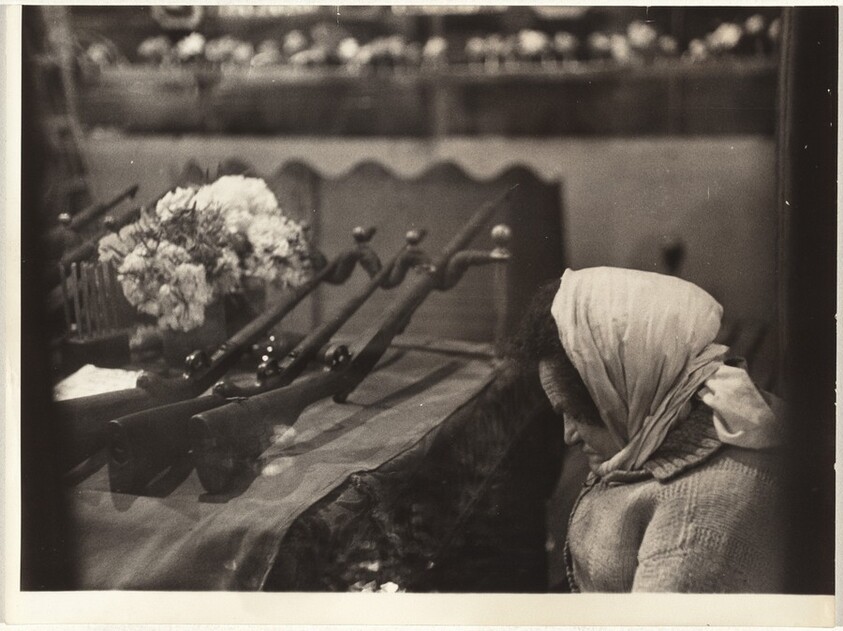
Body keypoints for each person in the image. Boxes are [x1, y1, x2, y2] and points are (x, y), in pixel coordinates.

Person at [510, 267, 787, 593]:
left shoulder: (693, 528)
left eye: (573, 413)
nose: (568, 435)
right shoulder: (665, 412)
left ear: (621, 391)